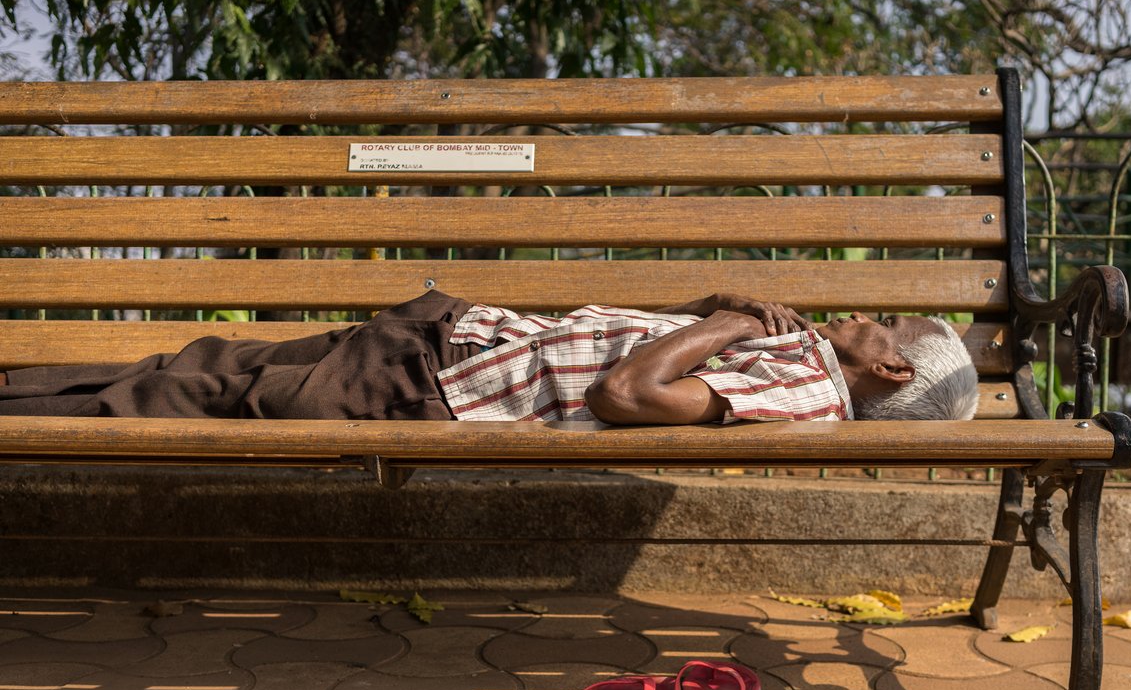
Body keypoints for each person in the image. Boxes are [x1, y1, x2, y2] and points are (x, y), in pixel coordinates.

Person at [0, 289, 979, 423]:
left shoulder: (802, 386)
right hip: (448, 337)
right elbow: (645, 348)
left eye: (885, 328)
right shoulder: (797, 357)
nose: (867, 317)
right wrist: (702, 312)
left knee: (173, 401)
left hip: (433, 383)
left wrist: (728, 317)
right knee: (195, 361)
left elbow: (626, 391)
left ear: (890, 370)